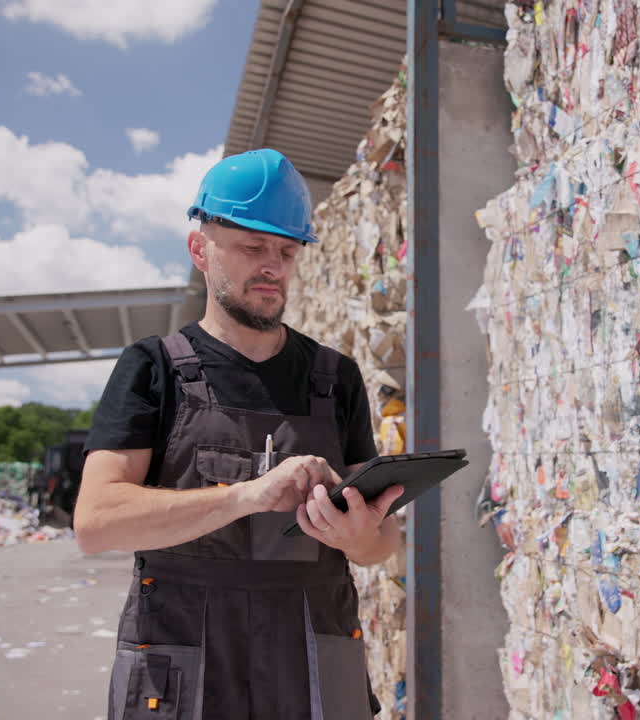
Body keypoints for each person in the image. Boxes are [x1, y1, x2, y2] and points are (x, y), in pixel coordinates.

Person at [75, 148, 403, 719]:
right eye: (253, 247)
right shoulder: (153, 368)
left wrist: (356, 535)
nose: (272, 265)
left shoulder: (335, 378)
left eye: (286, 250)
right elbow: (96, 523)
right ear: (200, 249)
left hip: (311, 661)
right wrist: (245, 496)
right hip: (189, 663)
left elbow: (380, 546)